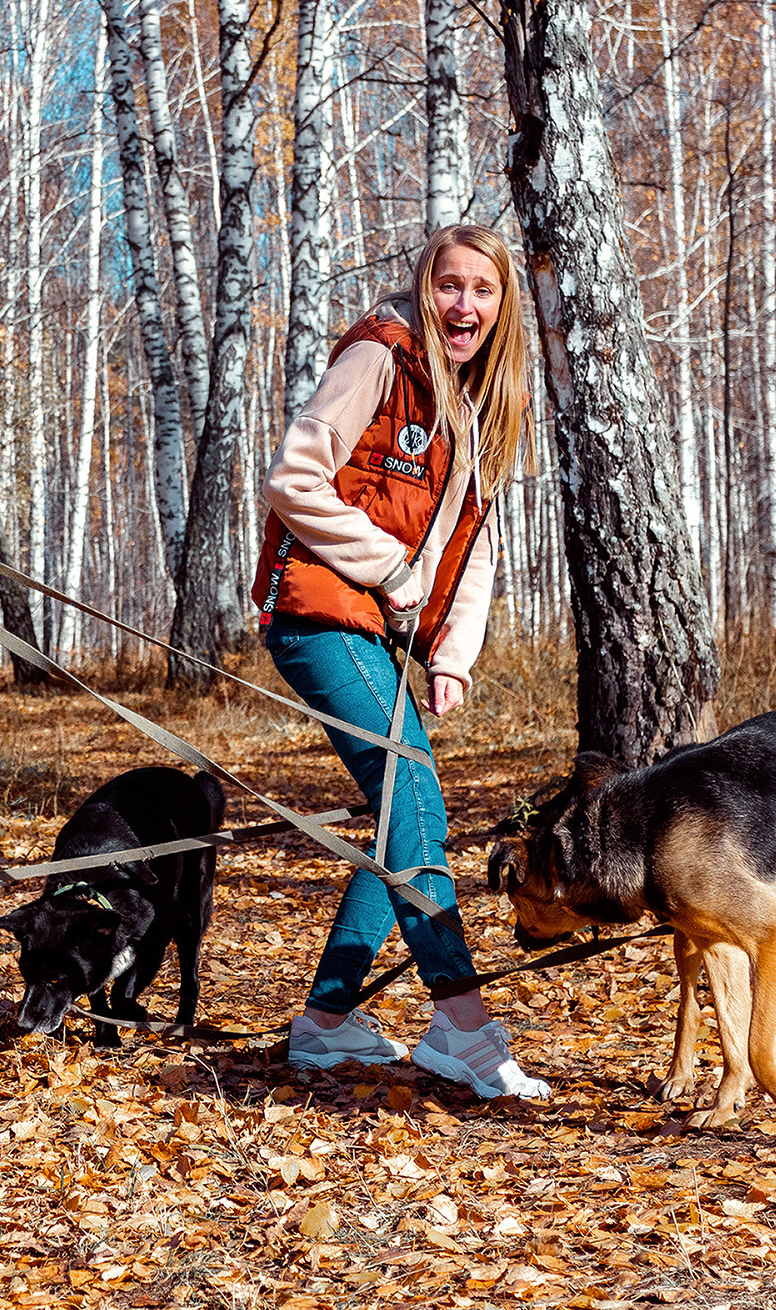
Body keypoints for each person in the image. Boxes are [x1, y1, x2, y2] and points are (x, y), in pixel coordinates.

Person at [254, 222, 548, 1098]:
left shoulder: (474, 399)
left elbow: (475, 540)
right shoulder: (382, 358)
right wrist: (388, 568)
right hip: (314, 610)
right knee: (413, 801)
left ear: (502, 307)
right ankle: (463, 1026)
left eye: (483, 291)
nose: (465, 305)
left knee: (405, 820)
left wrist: (450, 652)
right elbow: (294, 476)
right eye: (450, 286)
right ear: (428, 289)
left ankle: (328, 1023)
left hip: (375, 625)